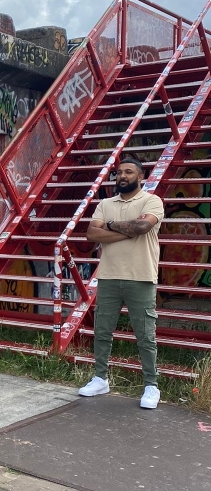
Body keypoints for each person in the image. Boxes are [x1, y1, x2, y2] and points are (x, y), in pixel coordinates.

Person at [78, 155, 164, 409]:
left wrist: (112, 227)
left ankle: (151, 385)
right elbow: (91, 234)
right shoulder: (105, 203)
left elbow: (141, 227)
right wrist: (125, 230)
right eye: (119, 172)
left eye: (128, 172)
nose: (122, 176)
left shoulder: (152, 201)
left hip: (141, 276)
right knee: (102, 331)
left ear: (141, 176)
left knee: (145, 335)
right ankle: (100, 378)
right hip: (108, 276)